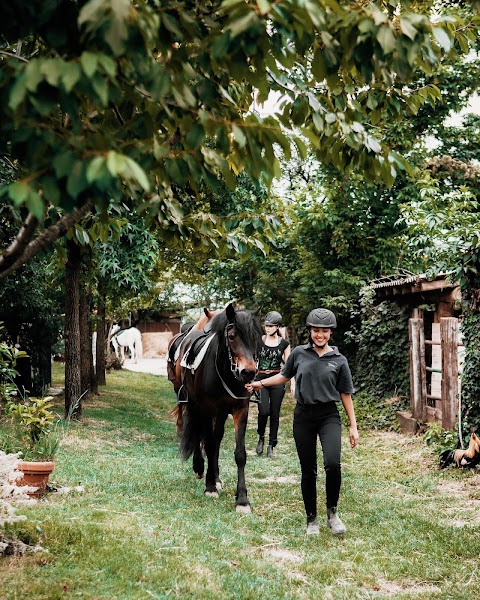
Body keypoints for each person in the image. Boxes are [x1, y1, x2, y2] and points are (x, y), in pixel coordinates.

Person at [246, 308, 359, 536]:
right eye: (316, 331)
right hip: (303, 416)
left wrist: (353, 425)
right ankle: (311, 520)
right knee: (308, 470)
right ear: (310, 331)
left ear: (330, 333)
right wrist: (261, 384)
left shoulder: (339, 360)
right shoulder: (298, 353)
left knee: (333, 464)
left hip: (329, 416)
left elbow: (345, 393)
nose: (320, 335)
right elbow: (284, 376)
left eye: (324, 331)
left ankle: (333, 513)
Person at [254, 311, 291, 458]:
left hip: (277, 378)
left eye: (271, 326)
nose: (267, 328)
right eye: (266, 326)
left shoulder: (284, 344)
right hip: (261, 379)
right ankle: (261, 437)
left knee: (275, 413)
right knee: (263, 411)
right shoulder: (258, 341)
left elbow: (289, 365)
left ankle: (271, 445)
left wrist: (292, 382)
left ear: (277, 327)